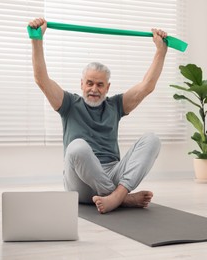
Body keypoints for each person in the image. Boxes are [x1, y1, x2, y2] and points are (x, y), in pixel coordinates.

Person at [28, 18, 167, 214]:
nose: (94, 89)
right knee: (77, 147)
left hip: (112, 174)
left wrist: (161, 52)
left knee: (152, 140)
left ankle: (116, 196)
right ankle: (123, 198)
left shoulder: (116, 105)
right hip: (80, 183)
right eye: (90, 83)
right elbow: (41, 79)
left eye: (100, 85)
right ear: (82, 84)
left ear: (107, 87)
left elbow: (147, 86)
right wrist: (37, 40)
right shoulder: (68, 103)